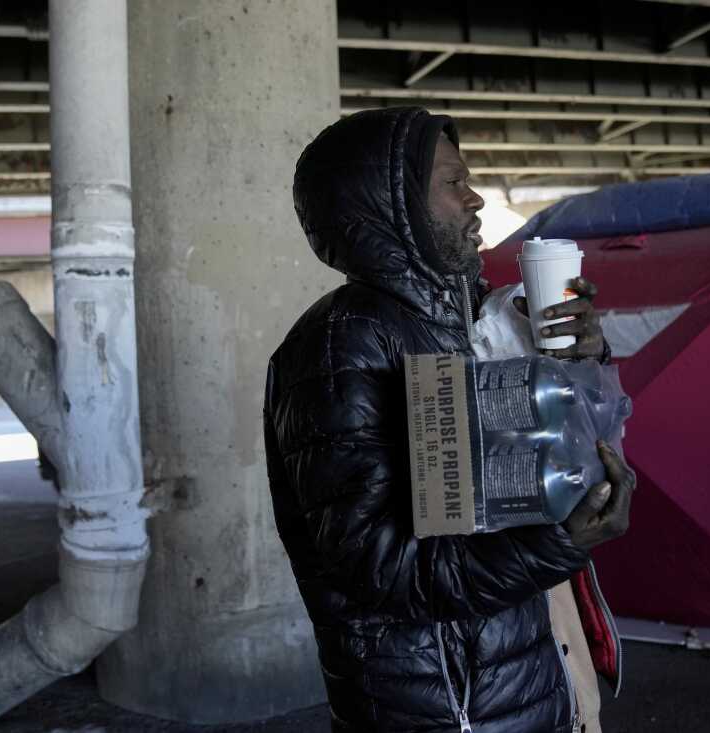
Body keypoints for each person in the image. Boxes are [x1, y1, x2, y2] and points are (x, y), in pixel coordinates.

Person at [264, 107, 636, 733]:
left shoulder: (474, 318)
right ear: (394, 204)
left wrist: (582, 362)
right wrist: (557, 546)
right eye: (453, 182)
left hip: (526, 676)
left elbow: (534, 468)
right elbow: (380, 572)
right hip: (450, 709)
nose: (476, 199)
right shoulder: (340, 346)